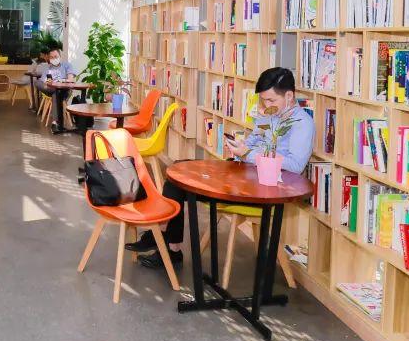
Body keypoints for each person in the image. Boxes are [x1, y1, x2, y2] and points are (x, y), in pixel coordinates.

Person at [128, 67, 315, 269]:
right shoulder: (271, 116)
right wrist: (240, 146)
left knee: (179, 182)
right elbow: (254, 139)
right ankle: (167, 243)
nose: (267, 105)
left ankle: (165, 242)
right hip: (245, 174)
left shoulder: (302, 124)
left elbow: (295, 167)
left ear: (289, 96)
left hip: (263, 188)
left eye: (271, 100)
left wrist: (248, 154)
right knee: (178, 171)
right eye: (263, 101)